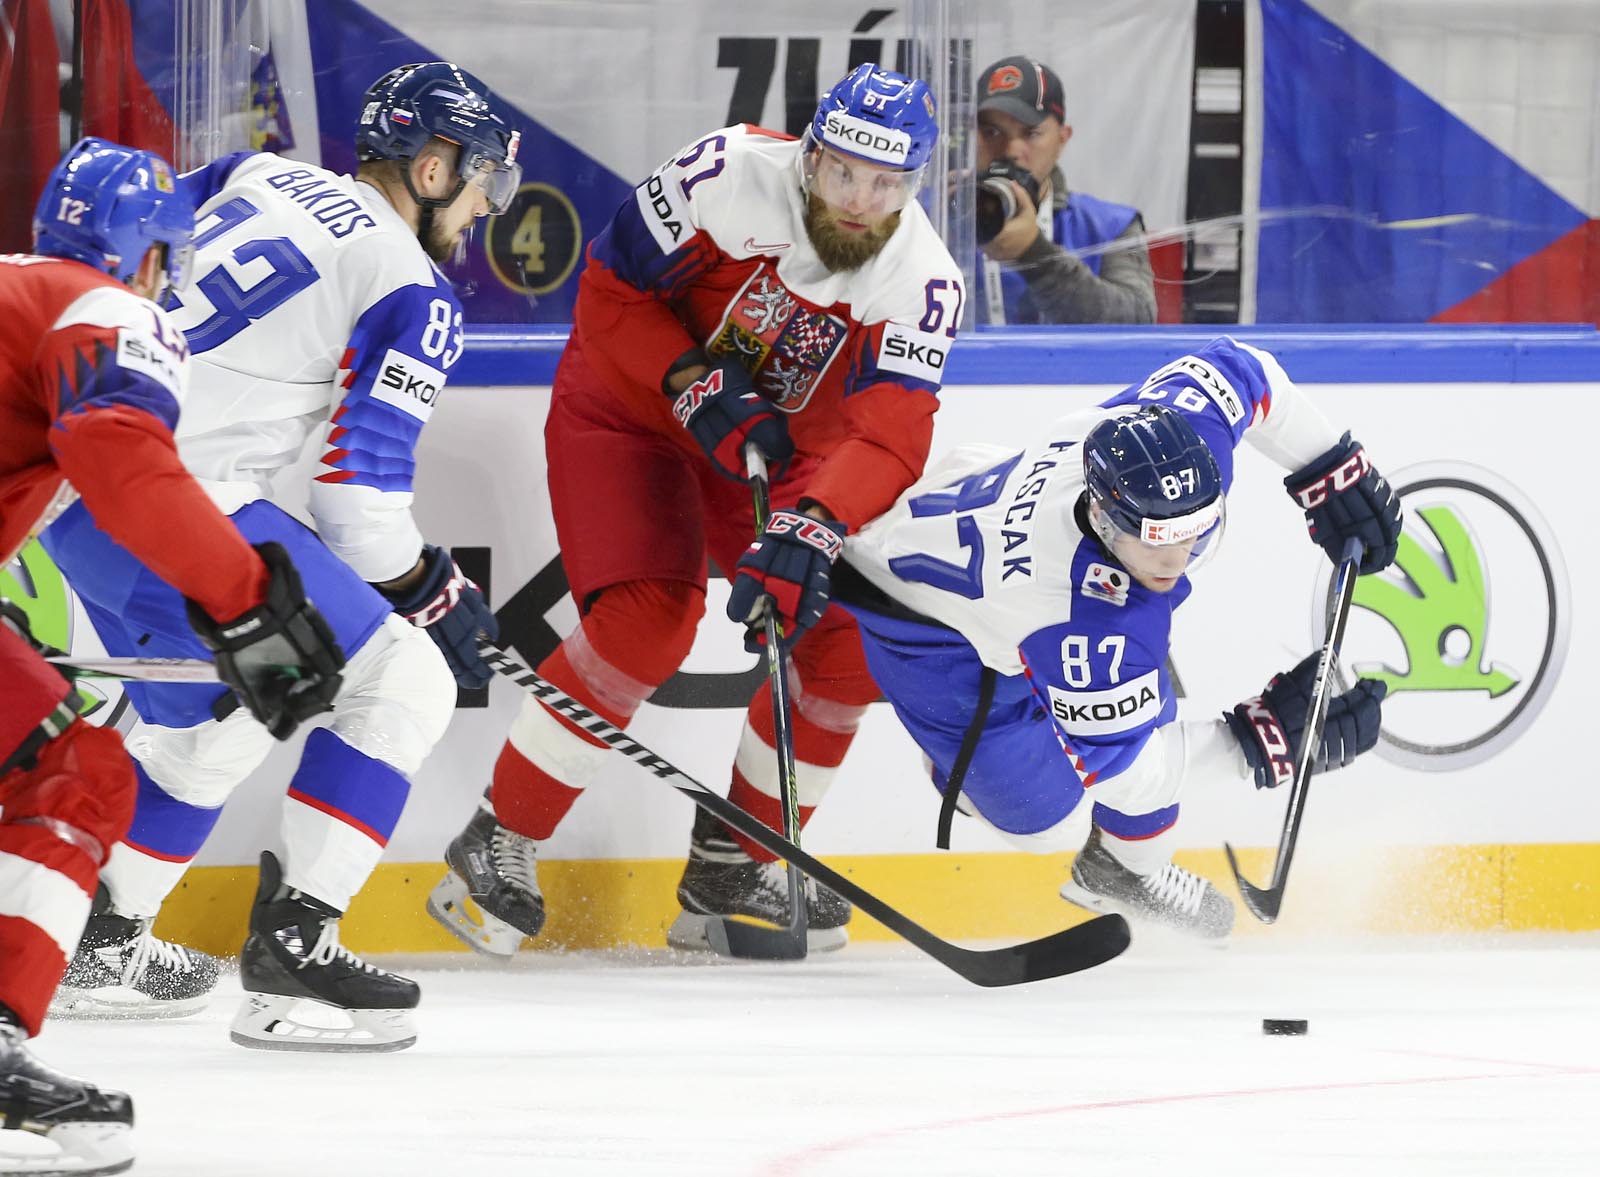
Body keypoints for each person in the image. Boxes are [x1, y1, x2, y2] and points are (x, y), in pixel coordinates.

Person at [427, 63, 964, 957]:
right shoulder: (722, 175)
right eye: (843, 173)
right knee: (647, 621)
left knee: (841, 644)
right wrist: (686, 375)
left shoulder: (920, 281)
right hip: (631, 407)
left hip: (775, 448)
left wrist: (814, 522)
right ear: (810, 155)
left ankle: (732, 865)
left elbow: (892, 434)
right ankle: (499, 840)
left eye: (888, 183)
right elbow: (608, 290)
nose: (863, 202)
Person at [40, 62, 520, 1051]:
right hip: (178, 498)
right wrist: (433, 591)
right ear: (432, 169)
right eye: (480, 180)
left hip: (75, 494)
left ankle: (102, 938)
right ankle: (296, 959)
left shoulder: (253, 174)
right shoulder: (412, 288)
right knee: (407, 680)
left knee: (228, 712)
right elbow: (355, 504)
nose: (484, 207)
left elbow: (142, 254)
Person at [0, 137, 342, 1176]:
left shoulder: (19, 292)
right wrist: (246, 602)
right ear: (149, 256)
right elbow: (120, 456)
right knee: (75, 770)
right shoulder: (104, 309)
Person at [837, 337, 1401, 936]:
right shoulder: (1083, 621)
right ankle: (958, 766)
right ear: (1105, 516)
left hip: (970, 519)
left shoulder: (1171, 459)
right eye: (1157, 537)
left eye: (1195, 531)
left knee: (1140, 693)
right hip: (927, 628)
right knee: (1044, 823)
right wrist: (1259, 740)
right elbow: (1125, 771)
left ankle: (1125, 871)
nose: (1177, 557)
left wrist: (1328, 465)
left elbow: (1240, 367)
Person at [972, 54, 1156, 325]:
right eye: (991, 133)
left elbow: (1139, 320)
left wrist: (1036, 255)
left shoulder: (1110, 225)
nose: (1011, 151)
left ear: (1062, 139)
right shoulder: (934, 216)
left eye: (1031, 133)